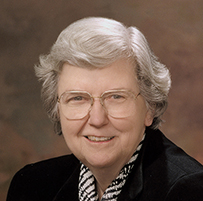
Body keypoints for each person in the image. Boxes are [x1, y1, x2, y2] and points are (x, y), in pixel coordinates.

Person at [7, 17, 203, 201]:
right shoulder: (30, 185)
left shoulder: (187, 190)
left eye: (116, 97)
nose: (97, 119)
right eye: (77, 98)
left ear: (150, 107)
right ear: (57, 107)